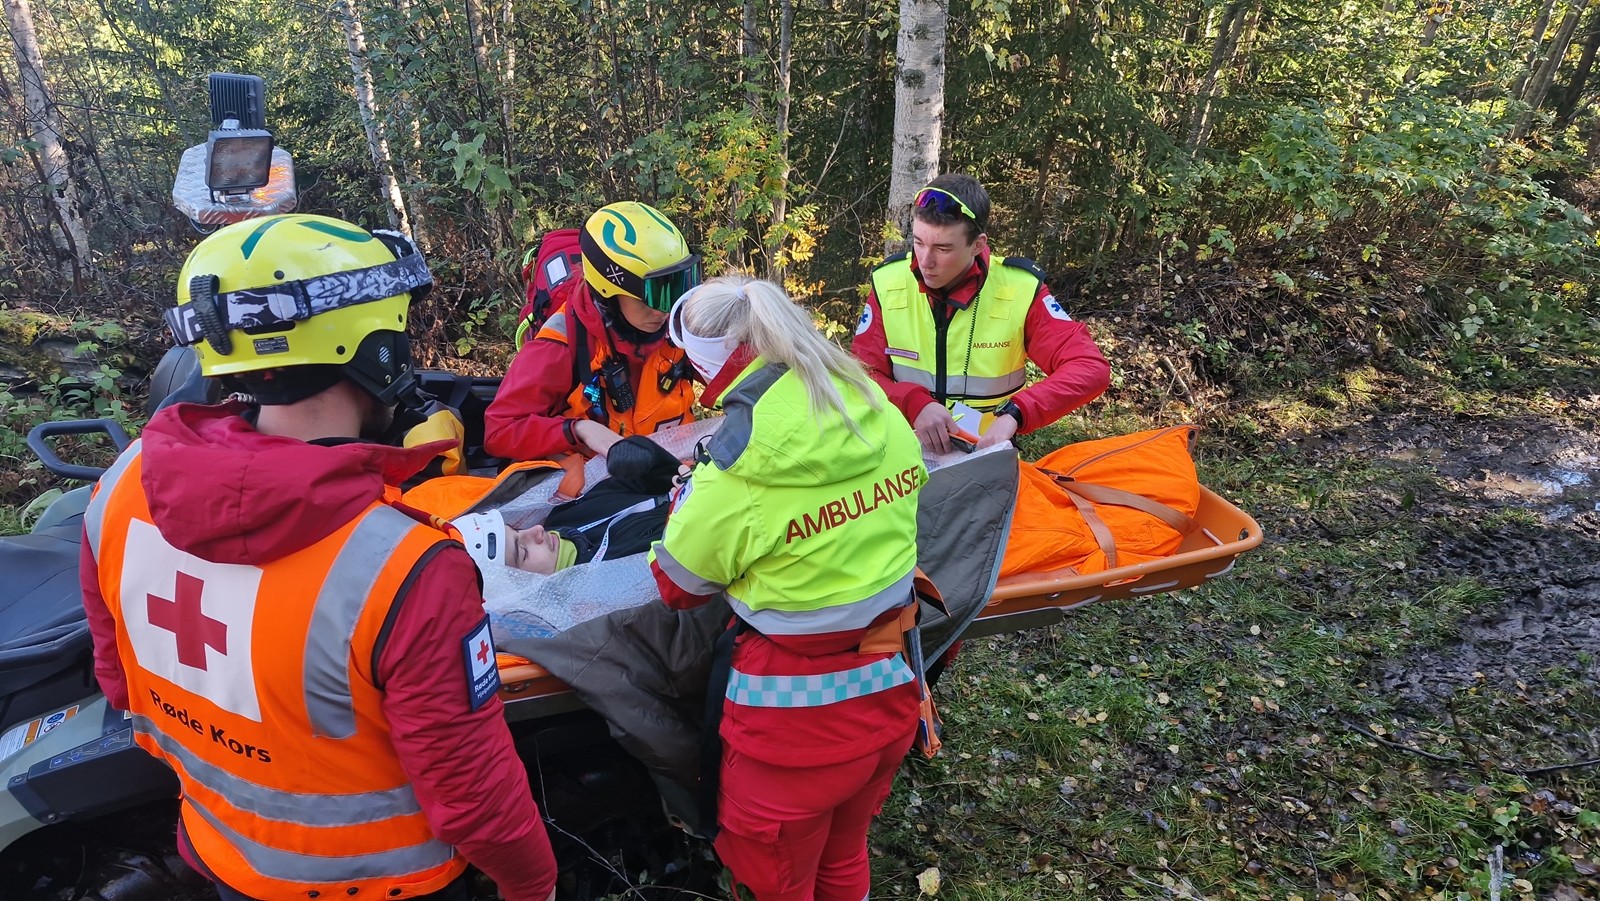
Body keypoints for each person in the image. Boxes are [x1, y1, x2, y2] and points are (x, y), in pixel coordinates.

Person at [79, 214, 558, 901]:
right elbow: (473, 795)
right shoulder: (408, 567)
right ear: (375, 350)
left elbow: (119, 679)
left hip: (221, 849)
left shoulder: (122, 486)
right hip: (385, 882)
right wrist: (534, 885)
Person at [647, 275, 926, 901]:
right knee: (844, 852)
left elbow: (679, 585)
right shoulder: (872, 405)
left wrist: (684, 502)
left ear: (711, 367)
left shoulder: (736, 465)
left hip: (791, 735)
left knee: (779, 881)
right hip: (888, 691)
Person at [853, 172, 1112, 453]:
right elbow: (859, 375)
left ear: (977, 245)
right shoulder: (888, 282)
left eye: (943, 248)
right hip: (902, 455)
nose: (925, 261)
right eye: (918, 242)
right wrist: (911, 402)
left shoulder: (1019, 289)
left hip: (983, 456)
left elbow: (1090, 368)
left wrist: (1016, 413)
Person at [484, 201, 702, 461]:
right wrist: (579, 430)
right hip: (597, 474)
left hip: (676, 468)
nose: (663, 312)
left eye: (675, 291)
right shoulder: (561, 342)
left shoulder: (680, 325)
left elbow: (735, 379)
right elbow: (499, 432)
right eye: (651, 298)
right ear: (608, 291)